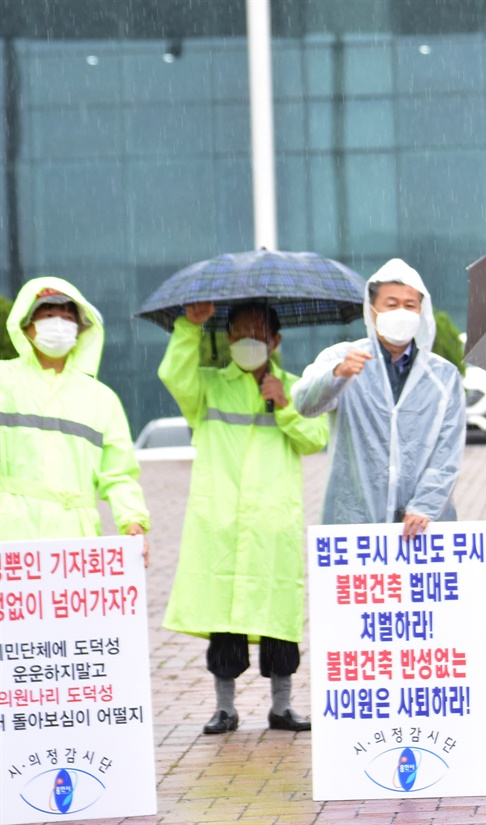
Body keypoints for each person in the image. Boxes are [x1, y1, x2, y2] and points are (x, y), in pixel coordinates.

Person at [160, 300, 328, 734]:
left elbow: (316, 439)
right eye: (237, 333)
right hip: (223, 523)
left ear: (275, 340)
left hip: (272, 525)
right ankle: (225, 708)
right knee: (226, 623)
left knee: (278, 621)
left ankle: (282, 706)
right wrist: (188, 329)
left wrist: (286, 404)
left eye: (256, 333)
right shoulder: (210, 387)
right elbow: (173, 377)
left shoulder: (293, 386)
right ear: (227, 338)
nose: (246, 341)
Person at [293, 258, 466, 535]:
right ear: (373, 311)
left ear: (422, 310)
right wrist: (337, 375)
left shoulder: (442, 376)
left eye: (410, 305)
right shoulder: (343, 358)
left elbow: (448, 450)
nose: (401, 311)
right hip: (355, 524)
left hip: (422, 528)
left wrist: (425, 506)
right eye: (391, 303)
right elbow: (304, 403)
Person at [0, 278, 149, 547]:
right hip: (10, 536)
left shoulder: (101, 399)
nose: (58, 323)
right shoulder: (4, 380)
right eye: (48, 314)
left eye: (68, 317)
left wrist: (132, 521)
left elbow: (119, 474)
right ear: (26, 325)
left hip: (74, 545)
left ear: (80, 330)